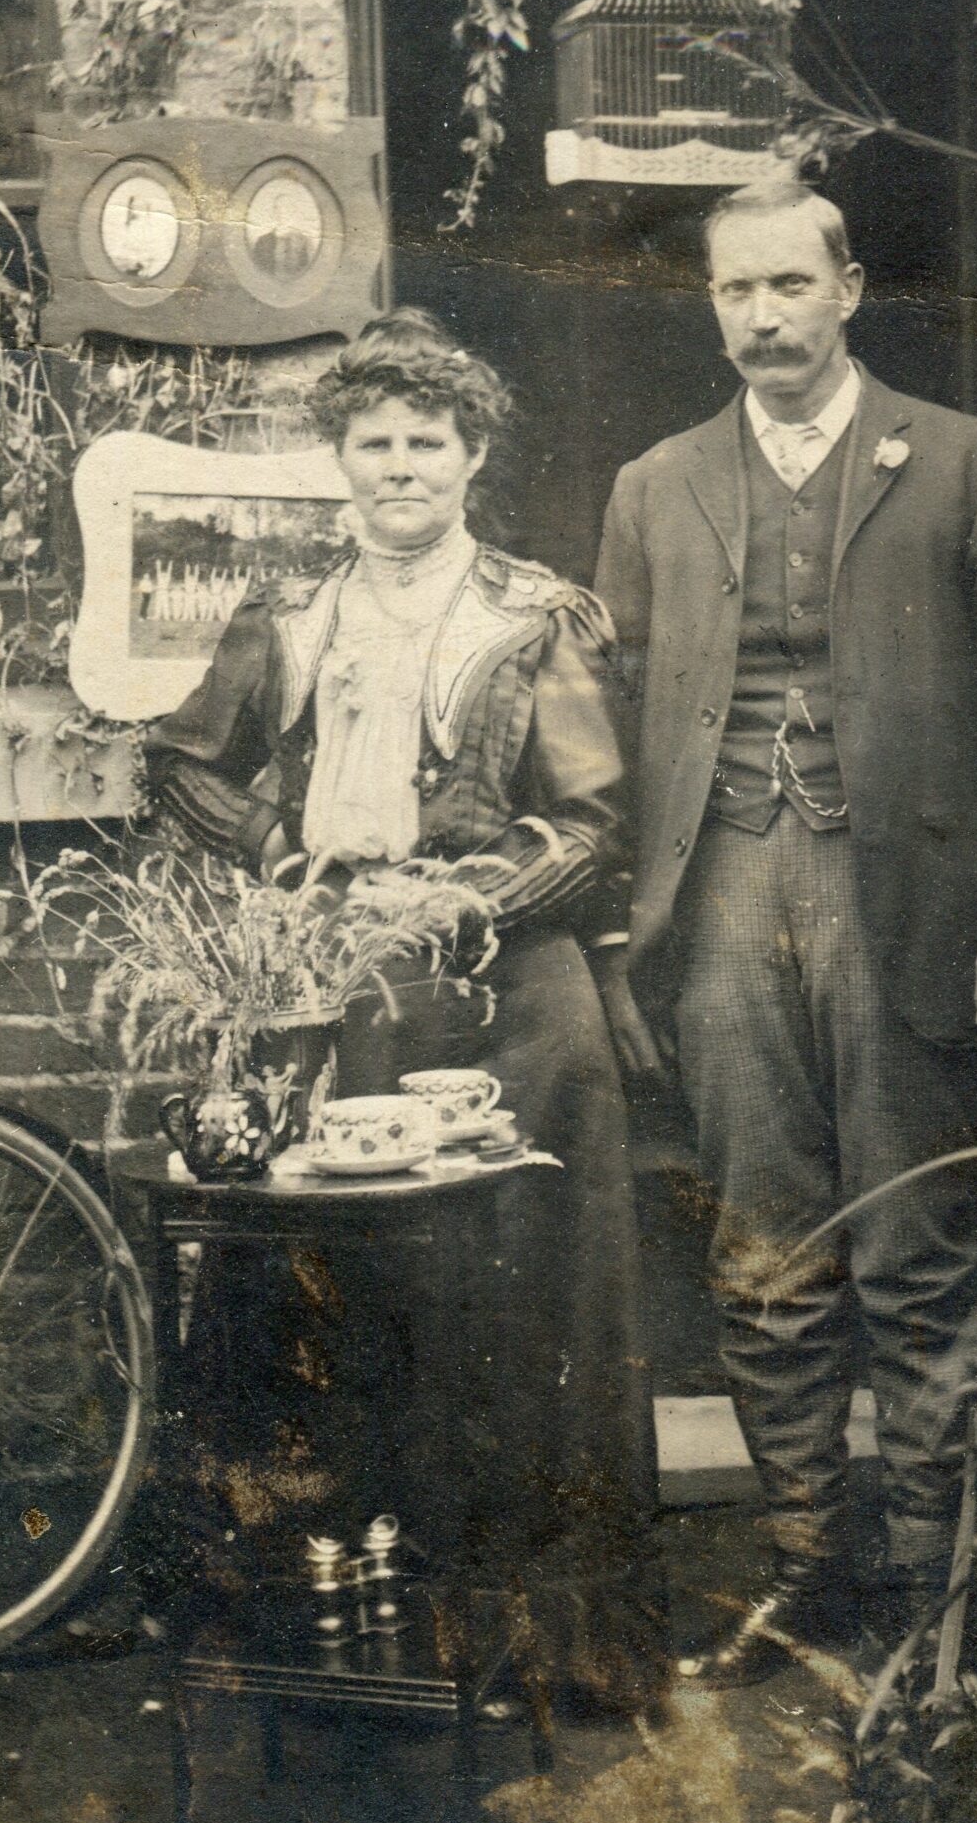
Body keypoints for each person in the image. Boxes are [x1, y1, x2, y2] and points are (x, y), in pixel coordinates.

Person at [592, 179, 977, 1681]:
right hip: (722, 897)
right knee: (765, 1251)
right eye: (735, 291)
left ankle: (934, 1588)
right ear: (712, 307)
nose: (764, 318)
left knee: (915, 1251)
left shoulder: (962, 462)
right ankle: (809, 1571)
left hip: (912, 901)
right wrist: (621, 929)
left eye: (789, 286)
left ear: (850, 288)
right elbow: (603, 723)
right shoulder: (656, 485)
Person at [145, 309, 662, 1710]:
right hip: (340, 1010)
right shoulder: (289, 617)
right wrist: (281, 852)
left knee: (531, 1315)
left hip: (512, 1013)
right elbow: (180, 766)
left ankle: (552, 1661)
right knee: (343, 1314)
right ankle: (360, 1648)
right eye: (372, 443)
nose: (398, 468)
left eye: (426, 443)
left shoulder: (533, 618)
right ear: (341, 459)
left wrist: (453, 900)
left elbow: (591, 825)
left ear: (472, 454)